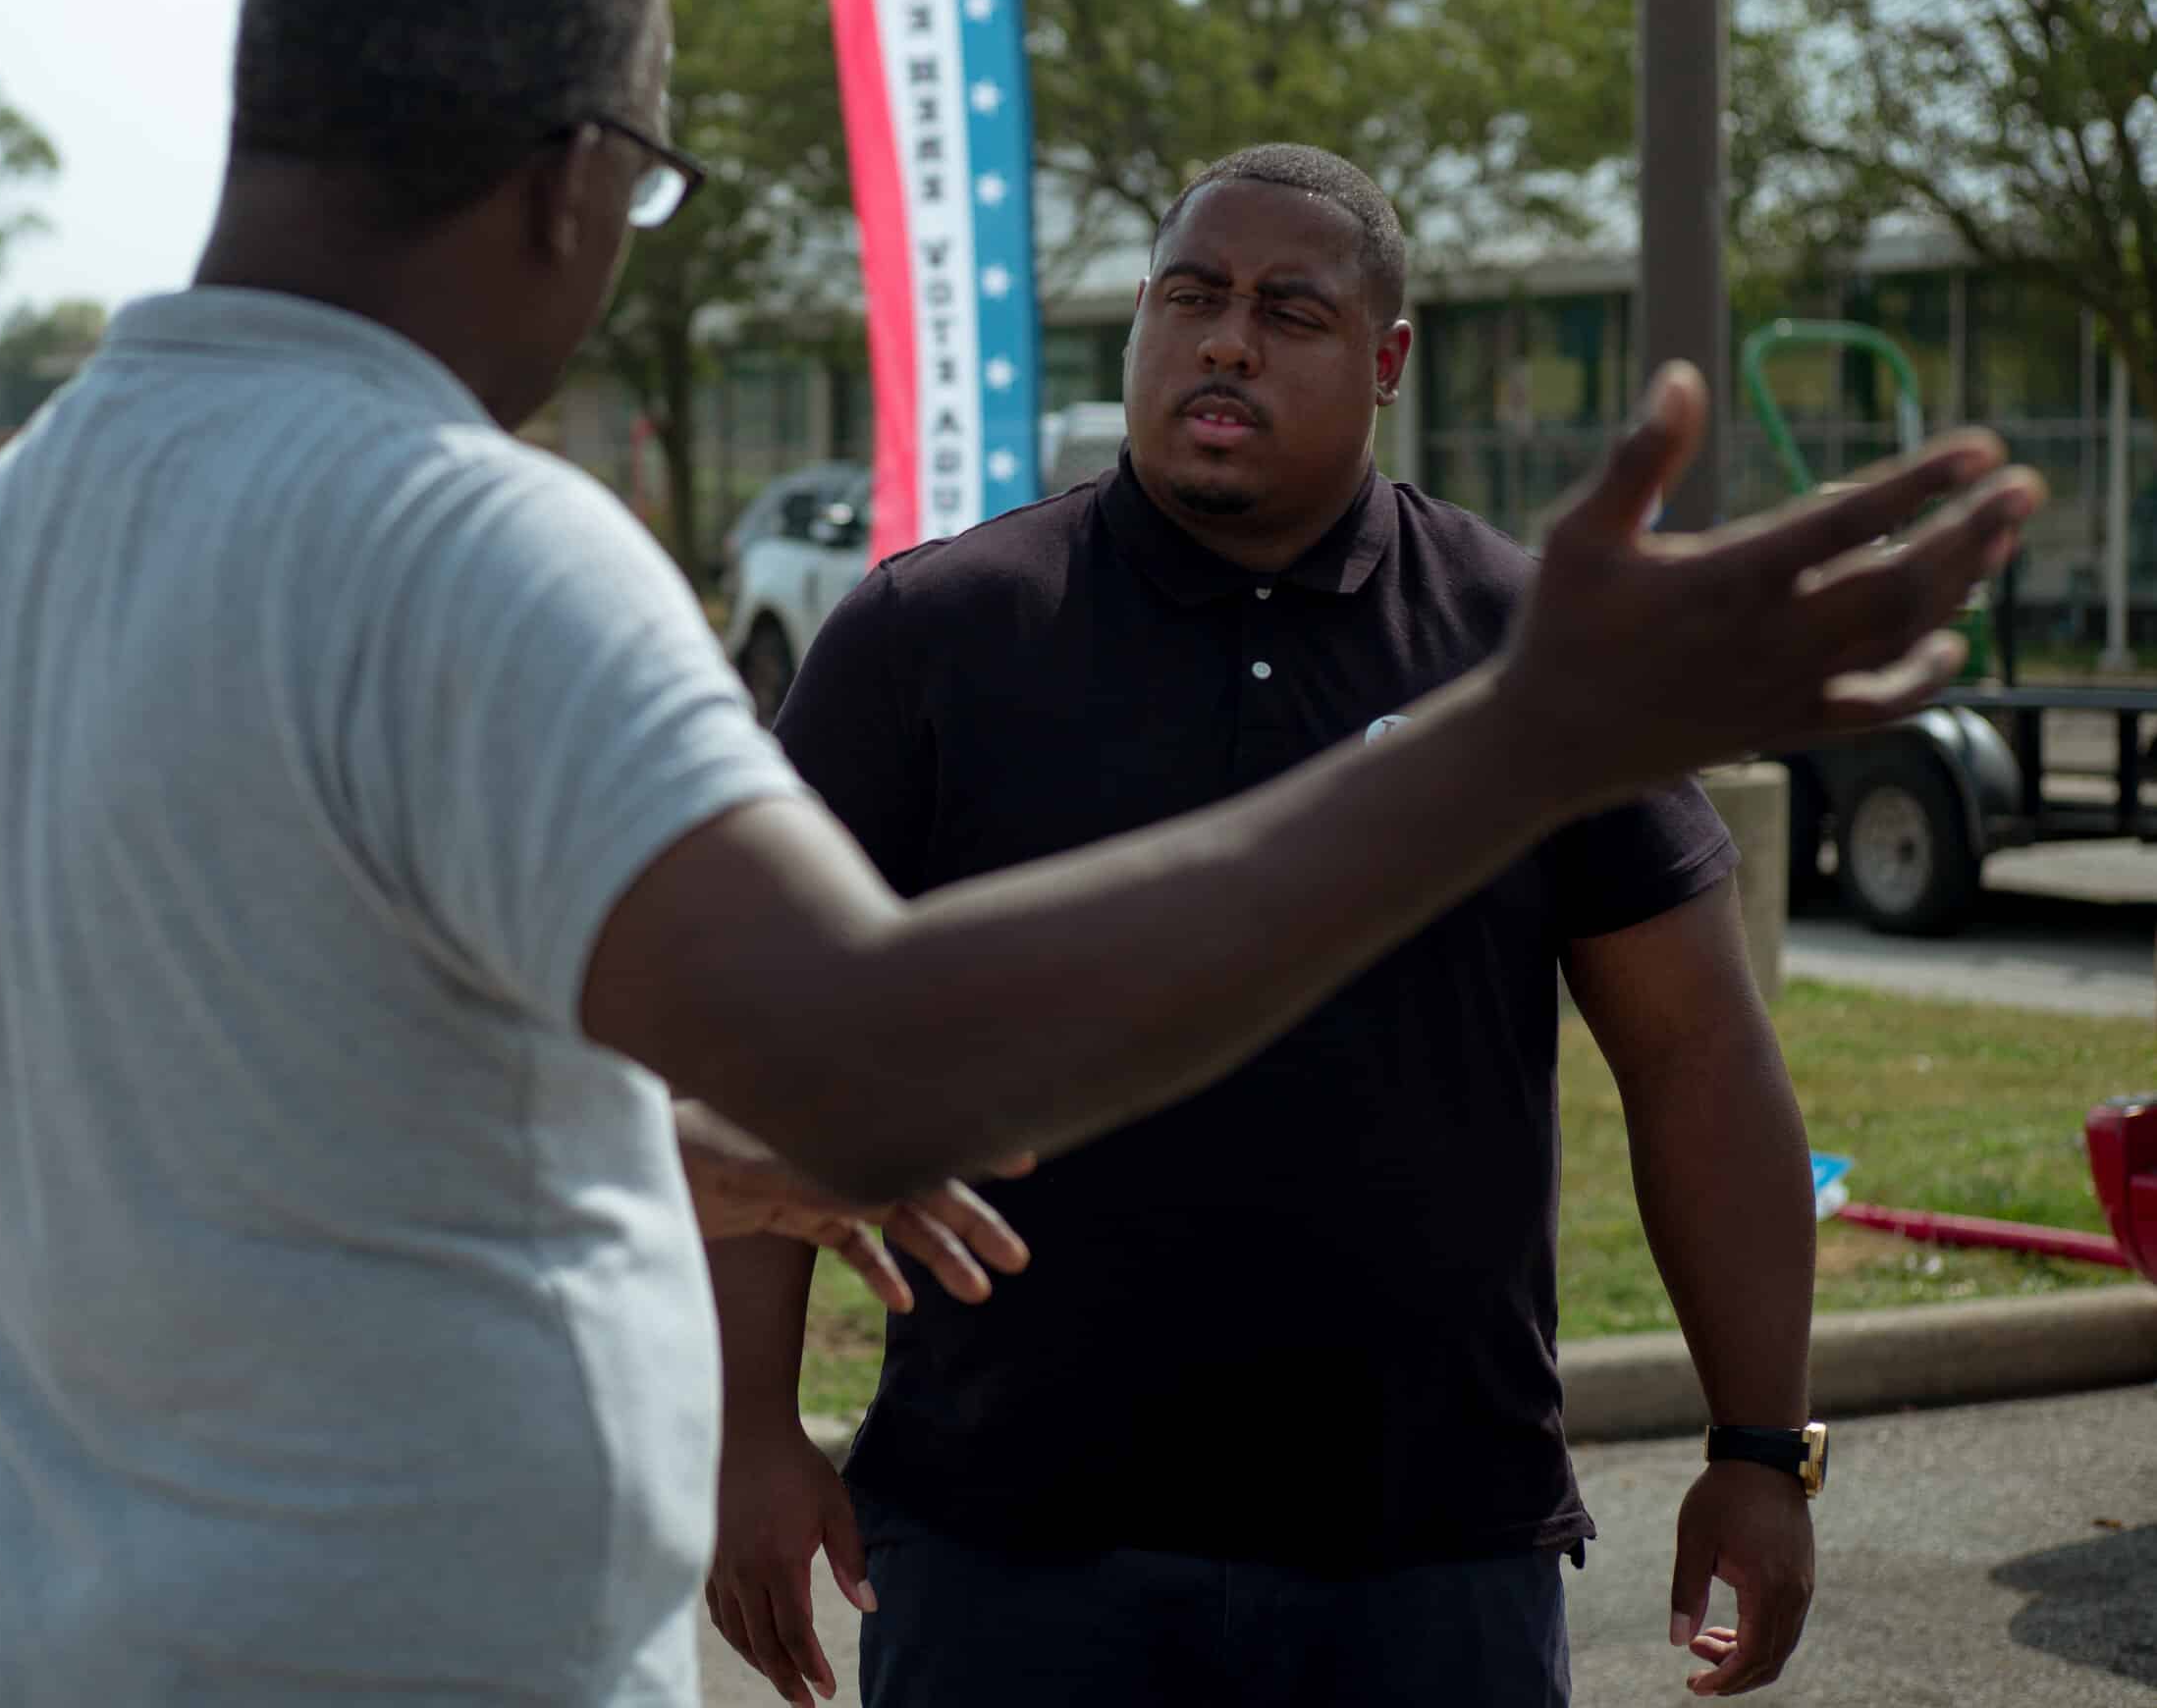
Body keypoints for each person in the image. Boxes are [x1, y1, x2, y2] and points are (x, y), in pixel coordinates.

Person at [0, 0, 2037, 1708]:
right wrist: (1518, 741)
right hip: (405, 1658)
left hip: (67, 1641)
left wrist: (705, 1175)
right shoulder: (471, 543)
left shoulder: (5, 540)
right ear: (569, 177)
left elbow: (319, 1102)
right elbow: (870, 1076)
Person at [705, 142, 1851, 1708]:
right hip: (1008, 1551)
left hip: (1426, 1552)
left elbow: (1698, 1051)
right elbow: (765, 1035)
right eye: (1191, 298)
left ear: (1386, 362)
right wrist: (749, 1432)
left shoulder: (1524, 648)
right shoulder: (936, 632)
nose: (1226, 341)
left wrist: (1759, 1444)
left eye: (1288, 311)